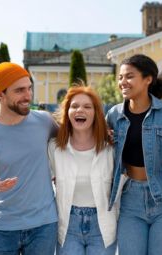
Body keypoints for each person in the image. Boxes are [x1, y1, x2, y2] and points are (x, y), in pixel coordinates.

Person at [0, 62, 58, 255]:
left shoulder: (45, 121)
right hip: (3, 228)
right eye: (20, 90)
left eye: (29, 88)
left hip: (44, 226)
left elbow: (75, 141)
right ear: (0, 94)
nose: (28, 96)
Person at [105, 54, 162, 254]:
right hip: (130, 199)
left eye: (129, 76)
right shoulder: (114, 115)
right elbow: (97, 147)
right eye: (120, 77)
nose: (123, 82)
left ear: (148, 79)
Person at [48, 85, 118, 255]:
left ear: (96, 113)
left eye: (87, 106)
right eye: (74, 106)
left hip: (102, 225)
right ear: (67, 112)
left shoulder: (110, 148)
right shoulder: (54, 148)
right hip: (67, 225)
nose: (80, 110)